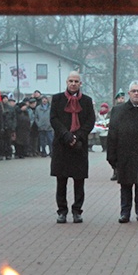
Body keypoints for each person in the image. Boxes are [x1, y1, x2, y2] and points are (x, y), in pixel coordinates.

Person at [50, 71, 94, 223]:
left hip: (79, 146)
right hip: (62, 145)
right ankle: (62, 211)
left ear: (80, 83)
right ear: (66, 82)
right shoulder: (57, 99)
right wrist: (66, 135)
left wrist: (78, 136)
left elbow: (90, 121)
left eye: (76, 81)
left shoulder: (87, 101)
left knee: (79, 180)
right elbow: (54, 119)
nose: (73, 84)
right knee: (61, 180)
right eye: (71, 81)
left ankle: (77, 211)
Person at [106, 81, 138, 223]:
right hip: (124, 155)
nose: (136, 93)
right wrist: (111, 156)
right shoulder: (118, 111)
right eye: (133, 91)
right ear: (129, 93)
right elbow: (112, 134)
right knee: (125, 186)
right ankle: (125, 212)